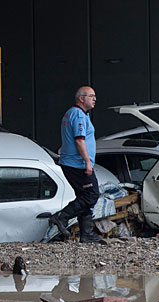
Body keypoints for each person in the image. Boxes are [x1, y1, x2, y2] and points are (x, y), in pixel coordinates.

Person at [49, 86, 105, 244]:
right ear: (81, 98)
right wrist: (87, 162)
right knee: (92, 194)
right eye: (91, 96)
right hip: (77, 164)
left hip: (71, 162)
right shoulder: (79, 116)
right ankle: (61, 217)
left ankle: (86, 234)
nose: (94, 99)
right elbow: (79, 140)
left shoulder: (71, 113)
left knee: (84, 196)